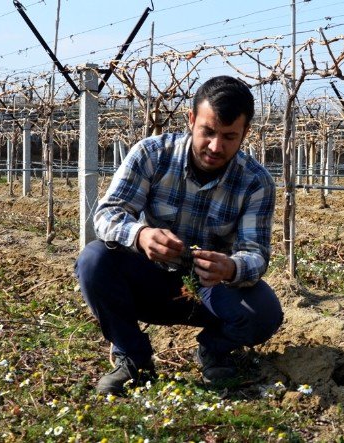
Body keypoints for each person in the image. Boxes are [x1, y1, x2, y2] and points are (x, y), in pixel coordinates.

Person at [75, 75, 283, 395]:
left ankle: (214, 350)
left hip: (208, 290)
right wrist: (141, 235)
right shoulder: (152, 154)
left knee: (264, 312)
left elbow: (256, 253)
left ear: (245, 134)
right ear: (191, 120)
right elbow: (107, 214)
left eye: (229, 136)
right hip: (149, 279)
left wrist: (230, 267)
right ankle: (133, 357)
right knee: (94, 260)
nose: (215, 146)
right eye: (208, 132)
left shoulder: (256, 182)